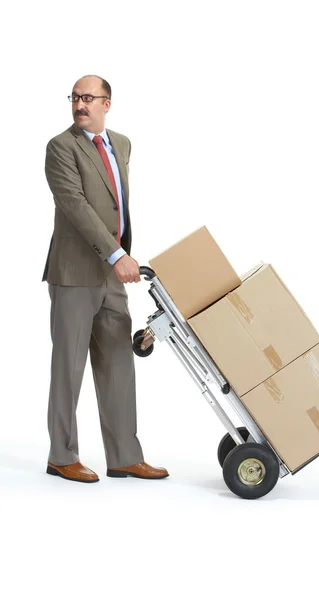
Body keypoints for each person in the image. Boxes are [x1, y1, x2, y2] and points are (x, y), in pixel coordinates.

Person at [42, 74, 168, 483]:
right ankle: (61, 455)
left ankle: (124, 456)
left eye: (88, 98)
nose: (80, 104)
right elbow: (75, 206)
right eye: (75, 97)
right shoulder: (61, 147)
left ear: (107, 103)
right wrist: (117, 255)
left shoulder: (123, 144)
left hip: (113, 275)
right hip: (75, 273)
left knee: (117, 363)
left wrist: (120, 256)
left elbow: (115, 205)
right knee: (69, 367)